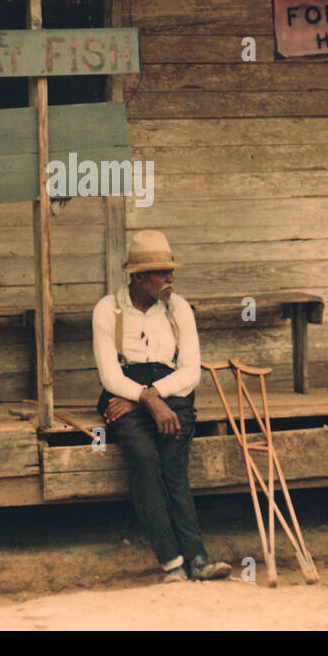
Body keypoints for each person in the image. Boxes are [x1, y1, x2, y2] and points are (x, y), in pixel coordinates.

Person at [92, 230, 232, 583]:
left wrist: (150, 396)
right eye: (161, 273)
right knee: (145, 458)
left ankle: (198, 558)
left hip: (169, 397)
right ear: (138, 276)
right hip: (125, 394)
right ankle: (172, 562)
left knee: (173, 466)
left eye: (171, 272)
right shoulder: (108, 310)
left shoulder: (178, 308)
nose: (170, 279)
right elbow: (110, 376)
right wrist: (148, 400)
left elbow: (190, 372)